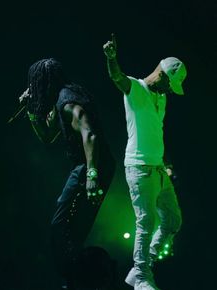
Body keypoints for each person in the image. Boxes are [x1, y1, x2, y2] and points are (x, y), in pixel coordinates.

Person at [20, 58, 115, 289]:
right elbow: (47, 136)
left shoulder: (67, 101)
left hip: (90, 167)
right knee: (70, 230)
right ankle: (78, 278)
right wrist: (32, 110)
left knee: (61, 227)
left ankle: (75, 278)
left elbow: (89, 135)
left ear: (45, 82)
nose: (33, 88)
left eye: (35, 83)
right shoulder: (60, 102)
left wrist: (92, 175)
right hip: (90, 167)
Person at [103, 34, 187, 290]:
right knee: (146, 223)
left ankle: (142, 266)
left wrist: (165, 161)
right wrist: (112, 58)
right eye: (169, 85)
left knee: (173, 221)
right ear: (162, 75)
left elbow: (155, 132)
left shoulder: (161, 99)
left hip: (159, 169)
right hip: (139, 169)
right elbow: (116, 77)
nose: (169, 91)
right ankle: (140, 276)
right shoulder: (135, 89)